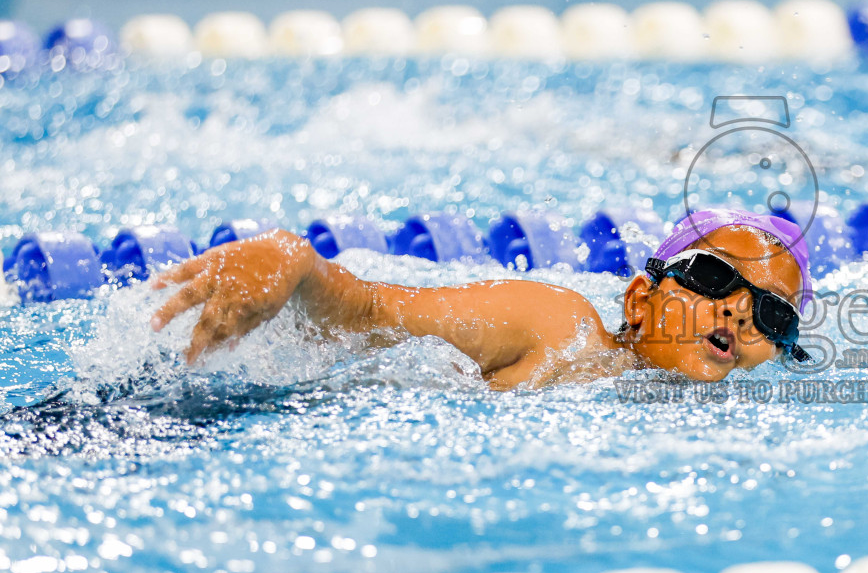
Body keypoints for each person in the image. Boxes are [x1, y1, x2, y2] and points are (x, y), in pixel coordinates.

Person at [148, 208, 810, 390]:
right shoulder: (559, 326)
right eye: (715, 278)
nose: (737, 311)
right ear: (640, 299)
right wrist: (291, 260)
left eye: (771, 314)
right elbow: (370, 312)